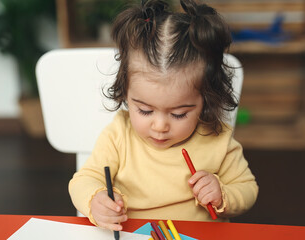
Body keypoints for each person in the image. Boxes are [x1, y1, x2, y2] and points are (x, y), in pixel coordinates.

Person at [69, 0, 258, 232]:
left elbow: (248, 188)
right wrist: (95, 199)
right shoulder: (119, 134)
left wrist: (223, 194)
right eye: (145, 110)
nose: (159, 126)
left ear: (206, 100)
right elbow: (83, 180)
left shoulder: (218, 138)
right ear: (126, 92)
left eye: (179, 114)